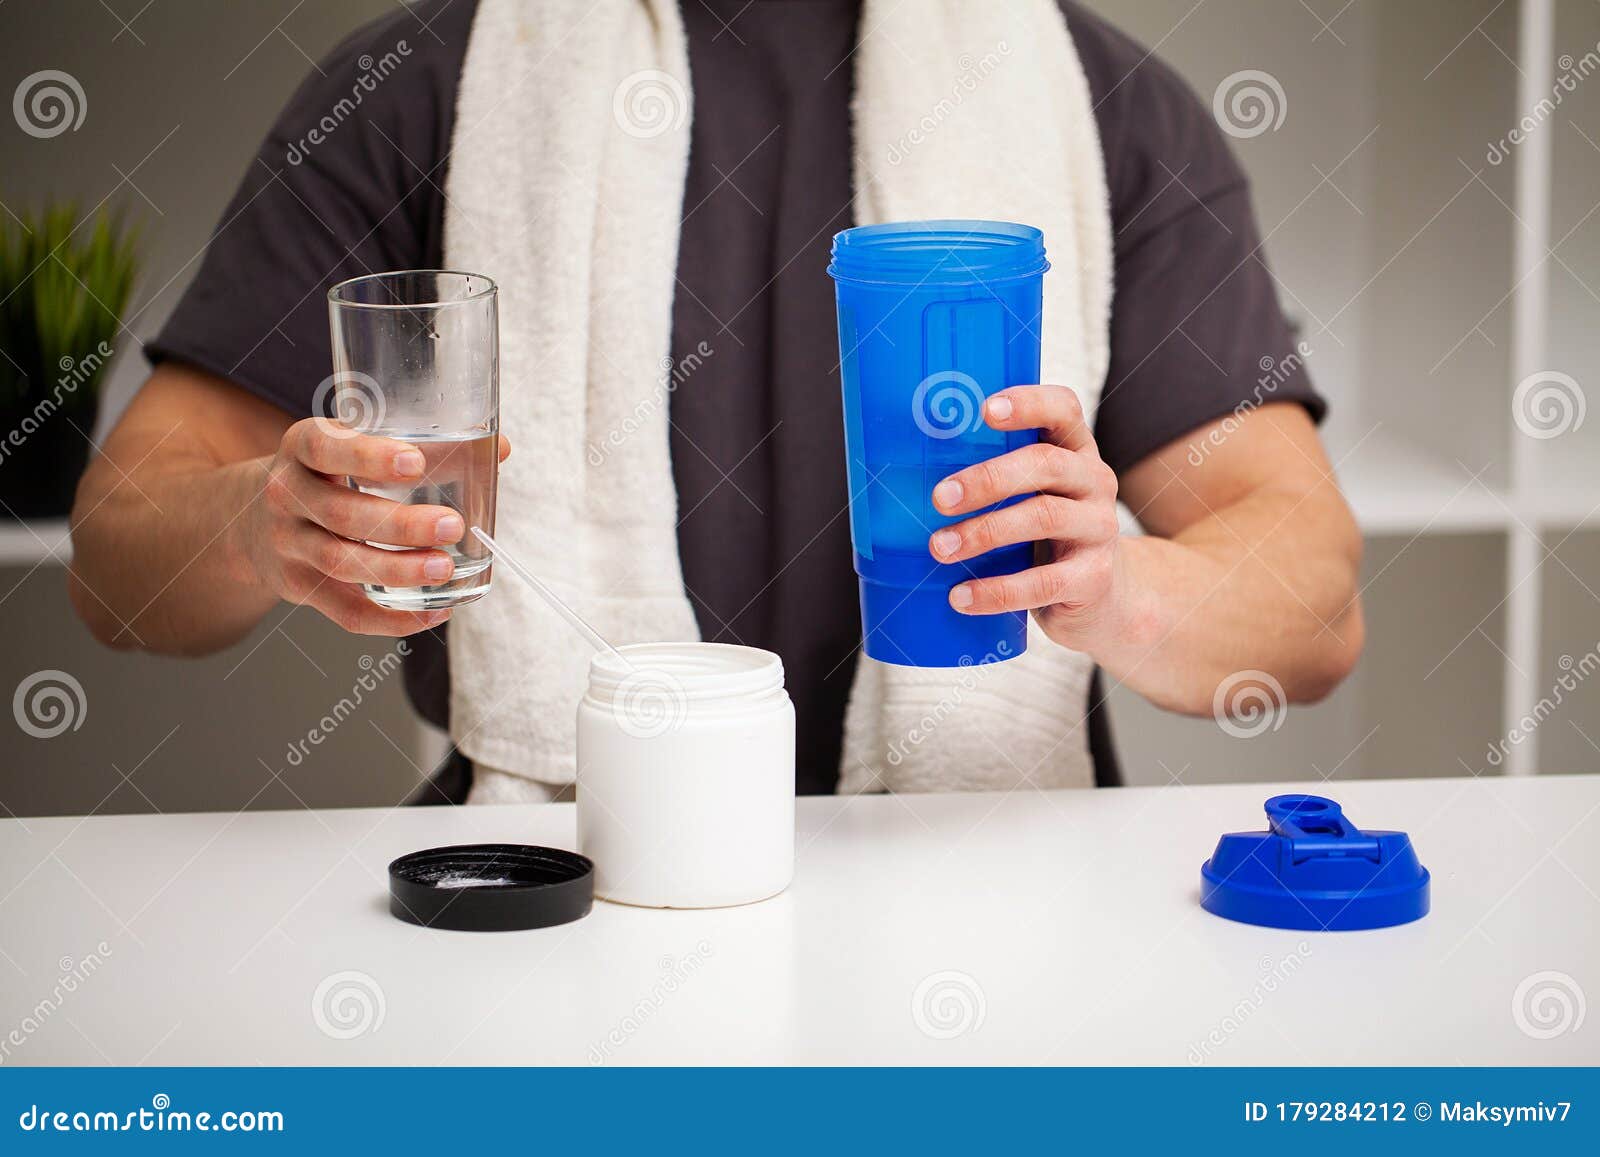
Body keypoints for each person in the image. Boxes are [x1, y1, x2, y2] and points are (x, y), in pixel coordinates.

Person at [68, 0, 1363, 799]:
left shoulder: (1106, 104)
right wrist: (266, 525)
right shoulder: (422, 87)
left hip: (987, 885)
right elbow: (118, 570)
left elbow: (1312, 612)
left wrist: (1116, 583)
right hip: (565, 885)